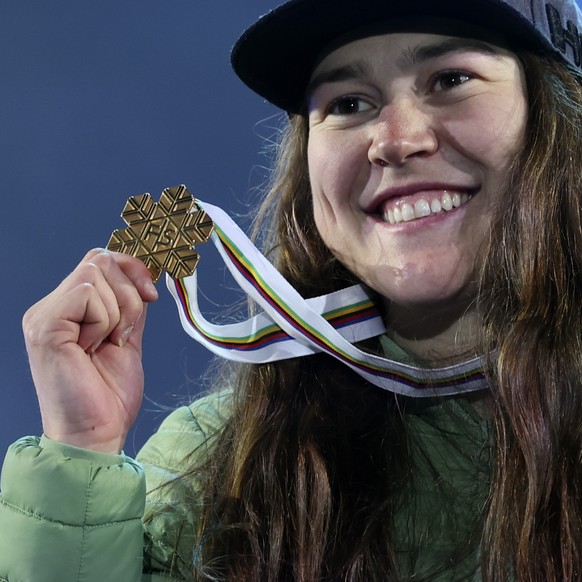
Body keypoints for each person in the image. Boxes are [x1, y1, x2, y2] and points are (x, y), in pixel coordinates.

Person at [1, 0, 581, 579]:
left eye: (451, 80)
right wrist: (81, 456)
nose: (395, 140)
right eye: (348, 103)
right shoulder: (216, 465)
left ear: (561, 117)